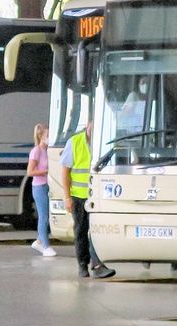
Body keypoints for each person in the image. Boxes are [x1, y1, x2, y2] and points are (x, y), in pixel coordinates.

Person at [57, 116, 115, 280]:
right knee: (81, 232)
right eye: (93, 126)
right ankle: (82, 265)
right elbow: (65, 172)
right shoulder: (74, 142)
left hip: (97, 196)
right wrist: (67, 197)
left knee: (96, 232)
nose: (95, 130)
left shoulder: (104, 142)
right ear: (88, 125)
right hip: (79, 197)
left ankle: (97, 264)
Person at [28, 124, 57, 257]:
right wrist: (47, 171)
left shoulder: (47, 151)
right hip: (39, 187)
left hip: (47, 186)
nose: (50, 138)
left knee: (47, 216)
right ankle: (45, 246)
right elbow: (30, 171)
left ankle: (39, 241)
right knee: (43, 216)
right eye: (48, 136)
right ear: (41, 136)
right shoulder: (36, 151)